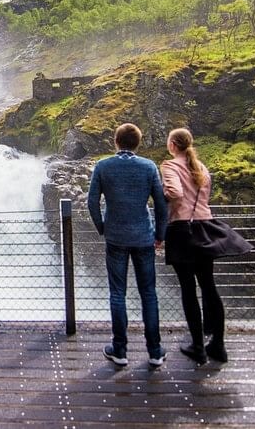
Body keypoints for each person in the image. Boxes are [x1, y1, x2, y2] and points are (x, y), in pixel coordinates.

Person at [87, 122, 168, 368]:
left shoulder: (103, 166)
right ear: (137, 143)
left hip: (115, 237)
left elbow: (92, 202)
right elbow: (162, 205)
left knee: (117, 293)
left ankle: (120, 350)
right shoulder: (148, 166)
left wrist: (103, 227)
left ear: (116, 141)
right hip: (144, 236)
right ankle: (154, 351)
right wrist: (160, 234)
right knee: (149, 294)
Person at [160, 127, 227, 364]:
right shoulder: (202, 168)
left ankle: (197, 346)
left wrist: (162, 196)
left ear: (173, 146)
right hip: (204, 227)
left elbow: (175, 193)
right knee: (209, 286)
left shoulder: (170, 166)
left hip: (182, 230)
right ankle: (218, 344)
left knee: (188, 289)